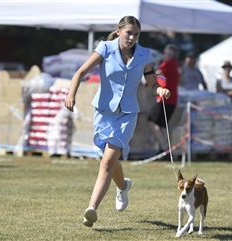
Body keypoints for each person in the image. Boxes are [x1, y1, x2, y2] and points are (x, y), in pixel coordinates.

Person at [63, 16, 171, 227]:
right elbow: (81, 72)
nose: (132, 37)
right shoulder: (105, 48)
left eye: (136, 34)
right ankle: (123, 186)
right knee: (110, 159)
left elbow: (151, 82)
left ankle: (91, 209)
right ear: (119, 31)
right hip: (103, 112)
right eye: (129, 33)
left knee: (106, 162)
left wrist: (160, 89)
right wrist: (71, 95)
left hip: (127, 115)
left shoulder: (144, 54)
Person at [147, 44, 180, 153]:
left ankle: (164, 147)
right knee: (162, 125)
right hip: (171, 98)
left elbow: (156, 73)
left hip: (165, 99)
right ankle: (165, 147)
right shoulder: (174, 64)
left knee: (152, 121)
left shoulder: (168, 64)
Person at [216, 60, 232, 148]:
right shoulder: (219, 81)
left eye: (228, 68)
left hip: (231, 107)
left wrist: (225, 92)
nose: (227, 69)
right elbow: (219, 92)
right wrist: (229, 92)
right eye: (225, 68)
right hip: (222, 107)